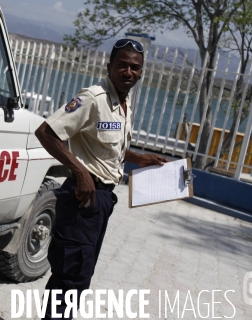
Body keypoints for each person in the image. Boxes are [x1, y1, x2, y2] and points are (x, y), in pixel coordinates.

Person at [34, 38, 168, 319]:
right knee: (71, 278)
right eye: (122, 65)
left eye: (135, 67)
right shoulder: (93, 98)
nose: (128, 72)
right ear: (109, 67)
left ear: (141, 72)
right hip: (83, 198)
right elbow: (46, 133)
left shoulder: (124, 102)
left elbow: (105, 145)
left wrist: (137, 158)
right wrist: (80, 172)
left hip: (103, 200)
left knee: (78, 279)